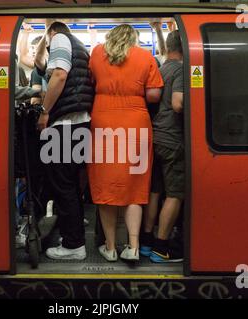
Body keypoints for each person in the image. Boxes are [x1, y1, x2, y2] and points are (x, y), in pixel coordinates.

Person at [88, 24, 163, 262]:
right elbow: (153, 95)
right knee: (135, 186)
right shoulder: (145, 56)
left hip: (103, 122)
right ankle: (132, 246)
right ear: (134, 38)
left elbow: (92, 82)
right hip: (136, 123)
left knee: (105, 185)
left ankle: (110, 248)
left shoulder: (97, 53)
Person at [36, 22, 94, 260]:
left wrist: (44, 110)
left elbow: (59, 75)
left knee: (62, 185)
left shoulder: (59, 39)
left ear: (51, 33)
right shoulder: (79, 45)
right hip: (80, 122)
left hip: (65, 125)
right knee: (71, 184)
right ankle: (74, 236)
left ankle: (74, 246)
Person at [141, 30, 185, 263]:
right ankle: (161, 248)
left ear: (168, 48)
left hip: (154, 137)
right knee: (176, 194)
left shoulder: (160, 68)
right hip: (172, 140)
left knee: (154, 191)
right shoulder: (180, 70)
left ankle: (146, 243)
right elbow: (178, 104)